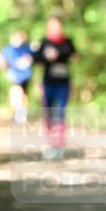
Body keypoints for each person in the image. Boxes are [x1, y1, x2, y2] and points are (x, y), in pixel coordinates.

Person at [31, 17, 76, 160]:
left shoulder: (67, 42)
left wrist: (59, 55)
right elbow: (36, 59)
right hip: (48, 83)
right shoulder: (44, 42)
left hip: (63, 83)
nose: (55, 28)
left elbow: (73, 55)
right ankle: (51, 143)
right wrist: (46, 57)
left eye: (57, 25)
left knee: (61, 113)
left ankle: (60, 144)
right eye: (52, 25)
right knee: (49, 114)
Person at [3, 30, 34, 124]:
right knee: (16, 94)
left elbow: (32, 58)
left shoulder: (27, 48)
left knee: (23, 95)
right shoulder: (9, 49)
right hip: (14, 76)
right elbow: (6, 61)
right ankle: (17, 114)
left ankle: (21, 114)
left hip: (25, 76)